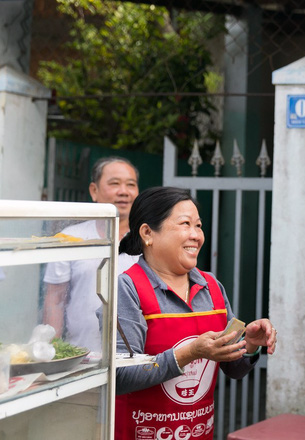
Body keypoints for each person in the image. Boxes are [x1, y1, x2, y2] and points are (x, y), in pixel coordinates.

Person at [114, 186, 277, 440]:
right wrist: (190, 353)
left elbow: (233, 369)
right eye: (185, 224)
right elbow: (119, 375)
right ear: (147, 233)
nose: (196, 235)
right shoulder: (128, 287)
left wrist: (250, 346)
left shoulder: (211, 286)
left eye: (198, 226)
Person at [43, 156, 140, 352]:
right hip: (83, 355)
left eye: (131, 184)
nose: (124, 192)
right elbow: (55, 300)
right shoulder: (70, 239)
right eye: (114, 183)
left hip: (138, 356)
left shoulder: (149, 240)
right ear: (94, 191)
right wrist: (53, 351)